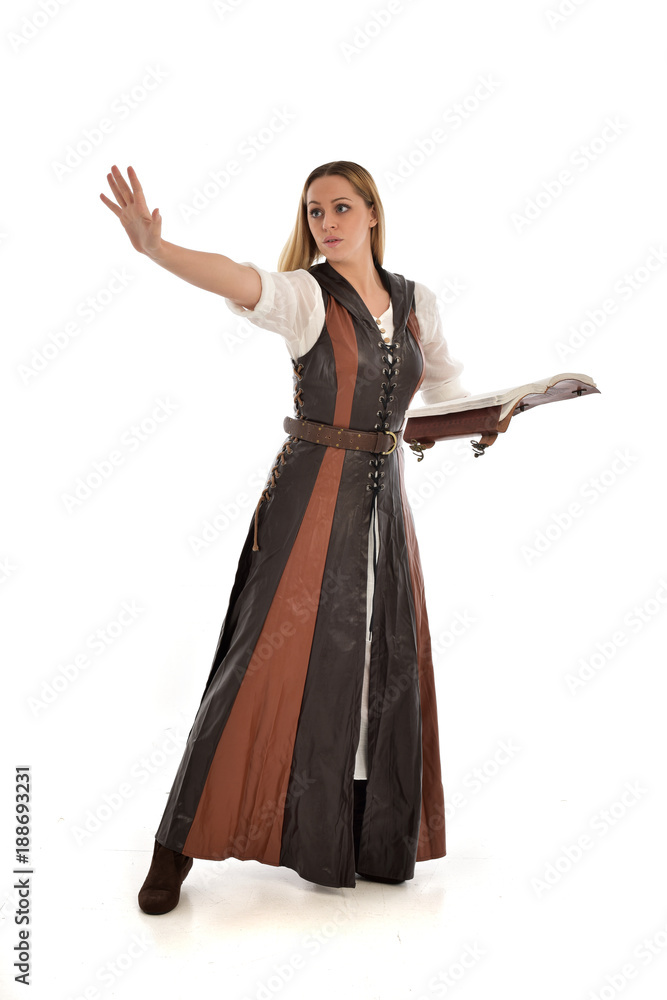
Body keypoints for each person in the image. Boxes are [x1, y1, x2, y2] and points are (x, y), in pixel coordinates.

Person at [100, 160, 471, 915]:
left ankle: (360, 832)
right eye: (312, 213)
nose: (325, 224)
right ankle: (174, 845)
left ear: (370, 212)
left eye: (339, 208)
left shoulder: (415, 302)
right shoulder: (305, 296)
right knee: (253, 664)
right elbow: (238, 278)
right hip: (306, 496)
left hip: (383, 507)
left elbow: (444, 394)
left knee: (377, 661)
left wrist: (491, 417)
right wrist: (157, 250)